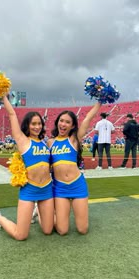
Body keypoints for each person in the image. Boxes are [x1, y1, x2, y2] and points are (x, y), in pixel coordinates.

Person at [0, 96, 54, 240]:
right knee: (20, 236)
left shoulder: (46, 143)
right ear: (27, 125)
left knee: (47, 230)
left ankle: (36, 211)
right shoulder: (22, 140)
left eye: (39, 123)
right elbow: (12, 114)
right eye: (33, 124)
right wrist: (3, 96)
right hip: (29, 189)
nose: (37, 127)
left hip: (46, 189)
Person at [48, 101, 101, 235]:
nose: (63, 124)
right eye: (61, 120)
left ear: (72, 126)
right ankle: (44, 214)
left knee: (82, 230)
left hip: (77, 185)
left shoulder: (74, 139)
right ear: (57, 122)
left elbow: (88, 118)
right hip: (59, 188)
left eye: (67, 122)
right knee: (62, 231)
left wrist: (100, 101)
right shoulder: (50, 142)